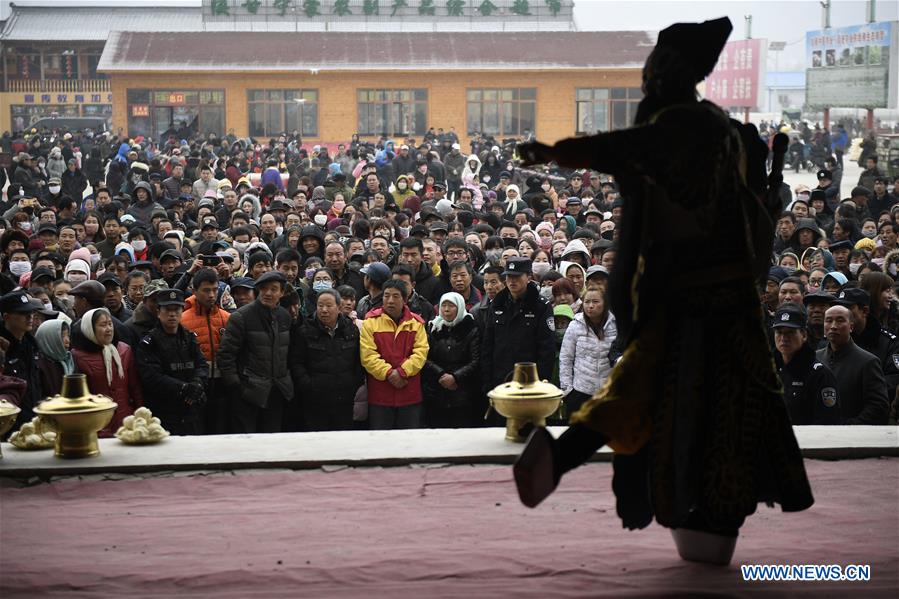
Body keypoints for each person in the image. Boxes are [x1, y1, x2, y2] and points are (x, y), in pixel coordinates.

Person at [513, 17, 812, 565]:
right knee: (688, 404)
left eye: (660, 64)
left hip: (700, 299)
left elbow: (625, 148)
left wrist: (556, 151)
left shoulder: (693, 126)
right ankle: (688, 517)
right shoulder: (710, 126)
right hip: (710, 299)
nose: (653, 74)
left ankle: (565, 459)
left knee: (659, 391)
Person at [218, 271, 294, 433]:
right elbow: (226, 355)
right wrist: (236, 385)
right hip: (247, 392)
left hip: (276, 391)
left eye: (274, 289)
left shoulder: (284, 317)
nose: (268, 293)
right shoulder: (241, 316)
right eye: (264, 288)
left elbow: (288, 353)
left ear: (281, 293)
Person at [481, 257, 555, 413]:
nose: (512, 281)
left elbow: (546, 349)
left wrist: (541, 382)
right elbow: (488, 345)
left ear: (528, 277)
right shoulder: (497, 304)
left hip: (529, 380)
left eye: (517, 276)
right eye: (509, 276)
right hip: (500, 379)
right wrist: (487, 381)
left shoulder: (541, 306)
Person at [289, 288, 363, 431]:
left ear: (339, 307)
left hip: (344, 398)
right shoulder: (305, 331)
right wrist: (308, 385)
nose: (324, 310)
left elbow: (358, 361)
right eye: (320, 305)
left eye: (329, 306)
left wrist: (353, 384)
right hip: (314, 399)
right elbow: (296, 363)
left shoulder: (351, 330)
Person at [137, 289, 209, 435]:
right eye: (167, 309)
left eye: (176, 309)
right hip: (164, 412)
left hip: (191, 410)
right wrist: (183, 388)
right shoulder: (149, 342)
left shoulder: (189, 337)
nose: (172, 314)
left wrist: (197, 384)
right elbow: (152, 377)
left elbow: (201, 365)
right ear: (158, 311)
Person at [360, 279, 429, 429]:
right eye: (386, 296)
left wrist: (402, 372)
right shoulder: (370, 322)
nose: (390, 300)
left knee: (409, 441)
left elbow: (421, 353)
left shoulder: (416, 323)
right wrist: (389, 373)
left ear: (405, 299)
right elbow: (368, 356)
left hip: (409, 393)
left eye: (396, 296)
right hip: (380, 395)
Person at [71, 307, 143, 437]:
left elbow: (135, 387)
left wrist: (140, 414)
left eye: (110, 324)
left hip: (125, 421)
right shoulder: (77, 356)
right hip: (96, 424)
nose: (109, 329)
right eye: (103, 325)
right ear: (90, 329)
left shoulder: (124, 350)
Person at [816, 304, 889, 424]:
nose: (833, 326)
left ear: (851, 326)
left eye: (840, 321)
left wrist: (850, 427)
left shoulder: (868, 362)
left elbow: (878, 406)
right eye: (828, 321)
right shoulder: (815, 358)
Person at [180, 268, 231, 434]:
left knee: (220, 430)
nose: (211, 295)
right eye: (206, 290)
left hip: (222, 385)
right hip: (196, 385)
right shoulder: (183, 320)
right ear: (194, 291)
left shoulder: (226, 317)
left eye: (215, 290)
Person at [772, 304, 841, 425]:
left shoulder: (819, 375)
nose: (783, 338)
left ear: (804, 335)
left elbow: (827, 422)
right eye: (779, 332)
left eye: (790, 332)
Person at [423, 292, 481, 428]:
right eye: (444, 305)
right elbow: (425, 357)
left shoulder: (470, 328)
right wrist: (441, 374)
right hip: (437, 389)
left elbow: (475, 360)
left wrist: (455, 377)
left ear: (460, 307)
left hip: (463, 392)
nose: (446, 310)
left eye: (451, 306)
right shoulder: (433, 327)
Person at [558, 287, 617, 418]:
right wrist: (567, 390)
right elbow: (566, 358)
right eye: (587, 302)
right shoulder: (575, 325)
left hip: (609, 392)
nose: (590, 306)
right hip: (580, 392)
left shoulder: (615, 325)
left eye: (596, 301)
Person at [0, 290, 44, 428]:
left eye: (31, 312)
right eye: (23, 313)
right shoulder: (2, 348)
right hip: (8, 425)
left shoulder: (32, 345)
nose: (30, 317)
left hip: (34, 423)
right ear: (7, 317)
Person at [35, 319, 76, 398]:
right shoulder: (39, 366)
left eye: (68, 335)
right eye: (62, 336)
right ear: (49, 338)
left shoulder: (69, 360)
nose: (67, 340)